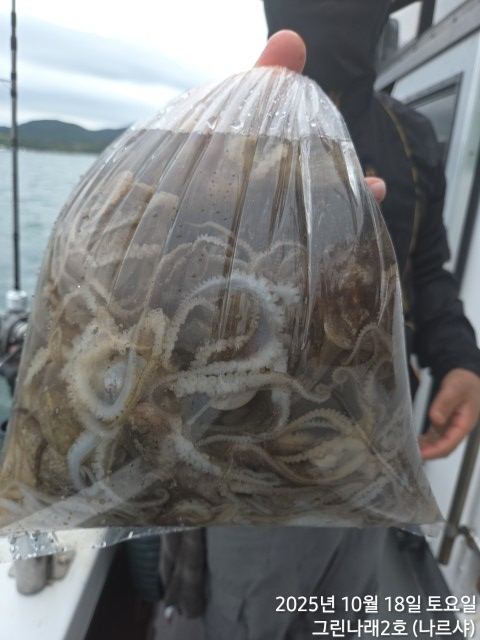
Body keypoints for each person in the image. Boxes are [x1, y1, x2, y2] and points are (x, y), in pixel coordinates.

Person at [157, 8, 480, 638]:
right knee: (249, 616)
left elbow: (428, 269)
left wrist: (459, 358)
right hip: (251, 466)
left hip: (376, 451)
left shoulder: (412, 137)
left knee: (344, 612)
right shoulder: (227, 139)